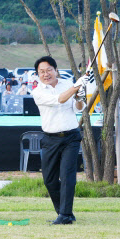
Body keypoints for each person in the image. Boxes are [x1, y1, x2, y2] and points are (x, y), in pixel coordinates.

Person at [31, 56, 86, 225]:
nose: (46, 74)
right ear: (37, 74)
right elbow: (60, 99)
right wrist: (76, 86)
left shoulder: (67, 83)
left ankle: (65, 214)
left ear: (56, 70)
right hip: (50, 139)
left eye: (49, 70)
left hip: (71, 136)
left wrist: (78, 96)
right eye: (42, 71)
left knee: (68, 176)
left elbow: (79, 107)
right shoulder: (38, 92)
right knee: (49, 179)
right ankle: (64, 212)